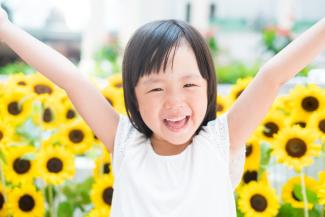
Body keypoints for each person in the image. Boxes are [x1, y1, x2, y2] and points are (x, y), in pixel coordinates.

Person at [1, 7, 325, 217]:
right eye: (156, 89)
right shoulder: (125, 142)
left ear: (209, 86)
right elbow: (70, 79)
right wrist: (6, 30)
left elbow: (273, 75)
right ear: (133, 97)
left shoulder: (219, 141)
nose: (174, 101)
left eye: (189, 85)